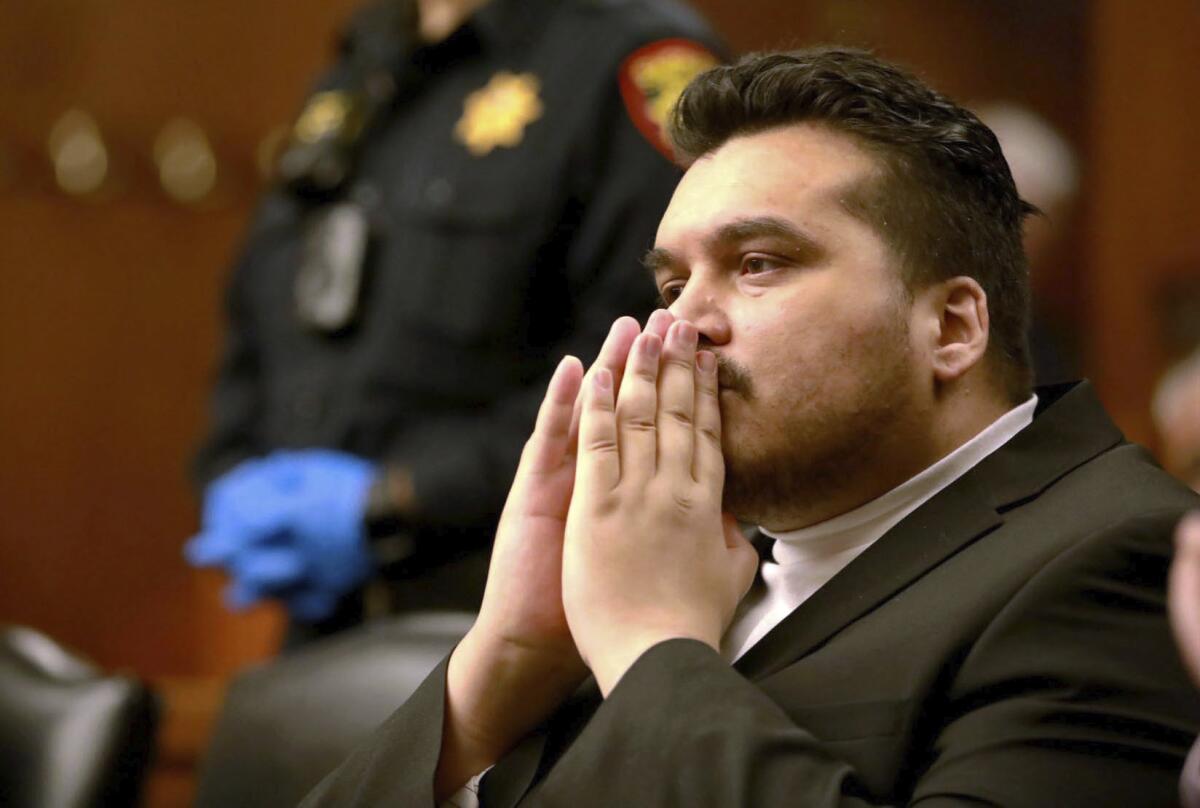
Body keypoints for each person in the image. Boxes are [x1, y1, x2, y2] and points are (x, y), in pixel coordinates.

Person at [301, 47, 1200, 806]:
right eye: (669, 285)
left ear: (952, 327)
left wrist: (653, 645)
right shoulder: (669, 566)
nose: (681, 326)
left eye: (757, 264)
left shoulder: (1125, 556)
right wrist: (504, 663)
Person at [185, 0, 722, 637]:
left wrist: (394, 499)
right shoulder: (370, 55)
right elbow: (264, 292)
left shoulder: (635, 58)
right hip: (322, 613)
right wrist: (237, 475)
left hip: (500, 613)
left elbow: (639, 356)